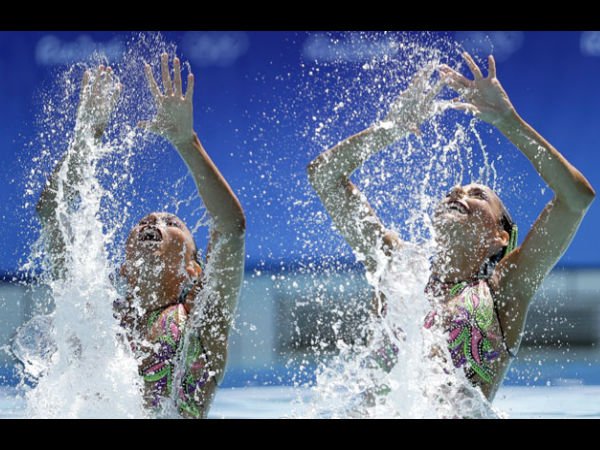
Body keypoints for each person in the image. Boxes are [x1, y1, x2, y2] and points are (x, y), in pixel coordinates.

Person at [306, 52, 595, 403]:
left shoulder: (504, 291)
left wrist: (509, 122)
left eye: (478, 195)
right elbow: (324, 176)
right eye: (455, 191)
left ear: (499, 237)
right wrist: (389, 130)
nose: (458, 191)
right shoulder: (397, 269)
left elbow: (575, 199)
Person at [34, 53, 246, 418]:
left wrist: (186, 142)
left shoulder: (200, 321)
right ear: (123, 267)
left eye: (172, 223)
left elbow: (231, 227)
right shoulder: (96, 321)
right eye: (146, 220)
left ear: (193, 270)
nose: (153, 222)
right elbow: (52, 213)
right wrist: (86, 140)